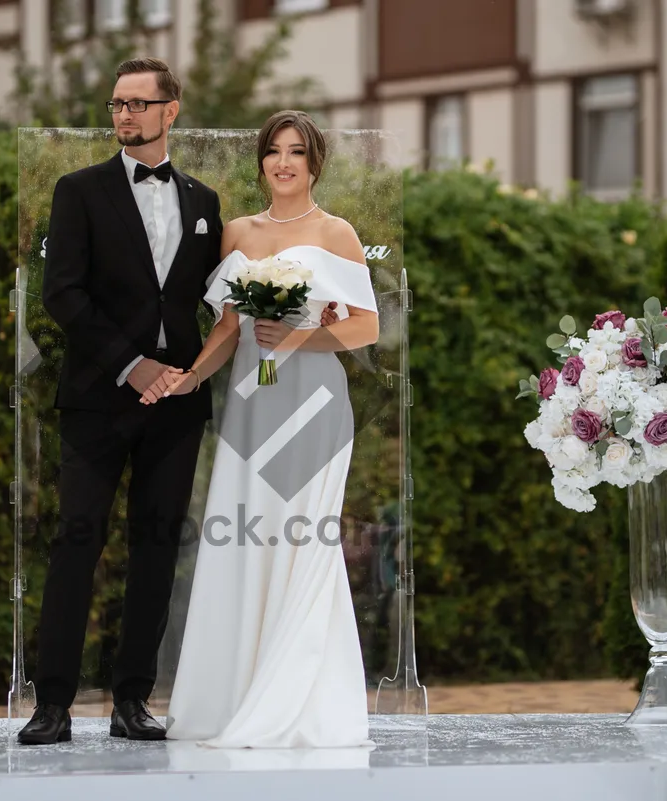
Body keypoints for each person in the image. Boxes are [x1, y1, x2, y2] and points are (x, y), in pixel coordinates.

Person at [19, 62, 336, 746]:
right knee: (78, 543)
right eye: (117, 104)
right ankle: (52, 704)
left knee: (157, 549)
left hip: (177, 404)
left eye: (139, 103)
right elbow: (62, 295)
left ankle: (133, 699)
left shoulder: (203, 201)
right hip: (97, 400)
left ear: (172, 111)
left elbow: (219, 305)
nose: (124, 114)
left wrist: (282, 324)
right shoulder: (77, 192)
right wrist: (132, 367)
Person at [147, 110, 380, 748]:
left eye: (296, 152)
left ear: (314, 163)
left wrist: (302, 336)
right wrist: (191, 377)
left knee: (305, 541)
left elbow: (367, 328)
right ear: (261, 161)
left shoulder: (337, 232)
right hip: (253, 401)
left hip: (314, 402)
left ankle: (302, 701)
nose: (283, 162)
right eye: (274, 151)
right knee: (245, 539)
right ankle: (236, 696)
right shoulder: (237, 232)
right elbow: (227, 327)